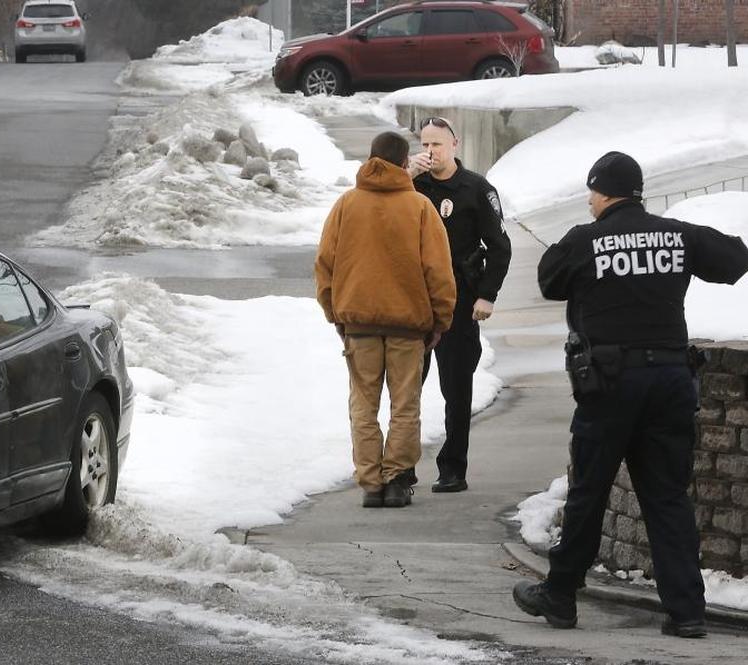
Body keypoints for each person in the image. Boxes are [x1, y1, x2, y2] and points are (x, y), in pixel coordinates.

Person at [513, 151, 748, 637]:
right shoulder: (678, 234)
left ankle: (560, 596)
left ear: (602, 192)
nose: (589, 200)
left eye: (592, 192)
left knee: (589, 491)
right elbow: (735, 260)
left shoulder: (586, 239)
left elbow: (549, 279)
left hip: (610, 383)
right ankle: (687, 612)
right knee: (667, 497)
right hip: (669, 381)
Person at [316, 131, 456, 509]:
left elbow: (325, 266)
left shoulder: (346, 205)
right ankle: (396, 481)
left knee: (363, 405)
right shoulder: (420, 207)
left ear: (369, 159)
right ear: (403, 162)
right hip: (408, 327)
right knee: (404, 404)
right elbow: (438, 271)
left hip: (358, 325)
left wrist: (335, 314)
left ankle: (370, 484)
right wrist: (440, 320)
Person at [407, 116, 512, 493]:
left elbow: (500, 248)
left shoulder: (476, 190)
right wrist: (404, 176)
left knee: (456, 386)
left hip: (459, 299)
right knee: (407, 389)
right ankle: (403, 468)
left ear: (455, 145)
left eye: (437, 144)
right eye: (425, 144)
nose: (430, 151)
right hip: (414, 301)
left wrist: (487, 294)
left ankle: (453, 467)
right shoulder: (411, 186)